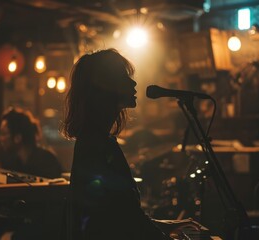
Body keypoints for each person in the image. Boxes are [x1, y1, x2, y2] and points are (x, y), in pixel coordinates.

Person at [61, 48, 195, 240]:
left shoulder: (95, 140)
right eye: (124, 77)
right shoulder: (98, 145)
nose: (133, 83)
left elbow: (122, 215)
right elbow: (124, 223)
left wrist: (167, 226)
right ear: (106, 88)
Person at [0, 107, 62, 179]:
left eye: (4, 134)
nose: (0, 138)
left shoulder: (46, 161)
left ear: (18, 138)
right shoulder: (15, 162)